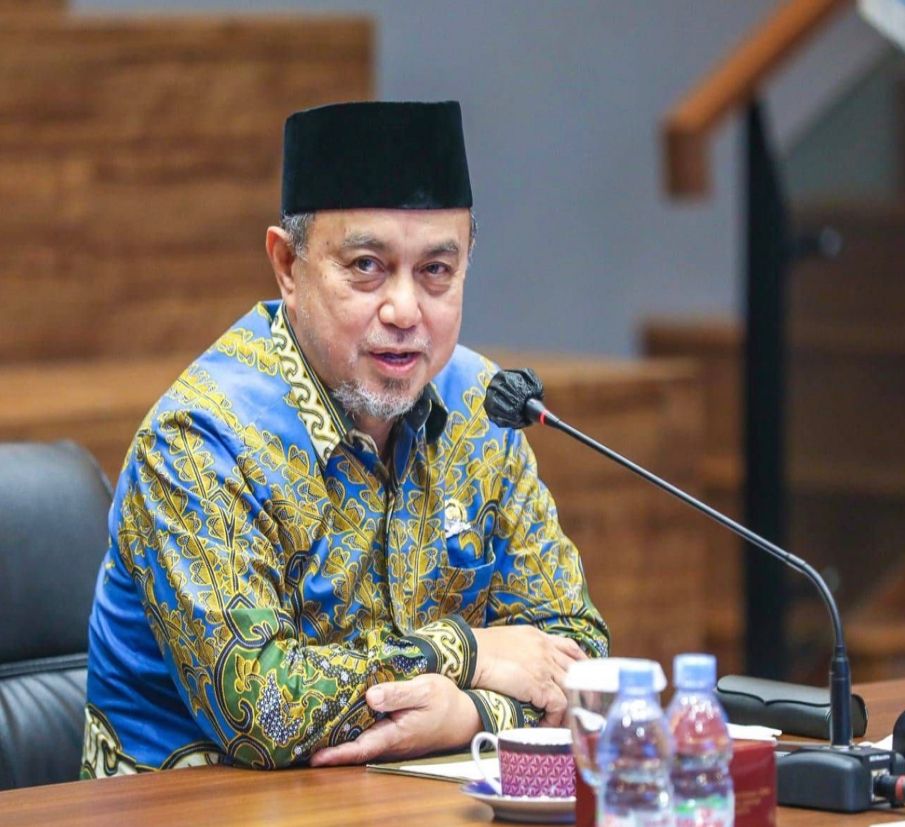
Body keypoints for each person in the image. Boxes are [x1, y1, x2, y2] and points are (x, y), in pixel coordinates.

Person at [82, 101, 609, 778]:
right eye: (366, 266)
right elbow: (267, 711)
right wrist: (466, 653)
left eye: (436, 271)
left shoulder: (482, 409)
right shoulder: (199, 441)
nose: (404, 310)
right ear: (287, 265)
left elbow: (578, 654)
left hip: (407, 804)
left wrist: (468, 717)